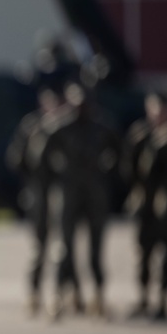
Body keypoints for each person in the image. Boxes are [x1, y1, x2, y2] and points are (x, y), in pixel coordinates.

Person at [40, 84, 121, 320]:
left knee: (96, 250)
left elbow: (119, 153)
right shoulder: (61, 128)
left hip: (95, 193)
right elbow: (42, 157)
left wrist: (106, 172)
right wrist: (58, 176)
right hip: (69, 192)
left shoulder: (101, 126)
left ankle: (99, 297)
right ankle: (60, 295)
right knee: (64, 248)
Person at [5, 88, 62, 316]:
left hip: (63, 192)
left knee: (63, 246)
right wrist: (29, 180)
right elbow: (16, 157)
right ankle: (35, 292)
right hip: (39, 190)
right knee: (39, 245)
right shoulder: (32, 126)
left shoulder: (67, 127)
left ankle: (62, 293)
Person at [121, 92, 167, 318]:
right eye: (153, 109)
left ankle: (163, 300)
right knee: (144, 252)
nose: (157, 114)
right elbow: (129, 168)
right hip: (146, 204)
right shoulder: (141, 136)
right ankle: (143, 298)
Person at [141, 95, 167, 321]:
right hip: (159, 208)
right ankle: (151, 298)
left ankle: (162, 298)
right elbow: (143, 175)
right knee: (152, 252)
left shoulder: (165, 140)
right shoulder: (149, 139)